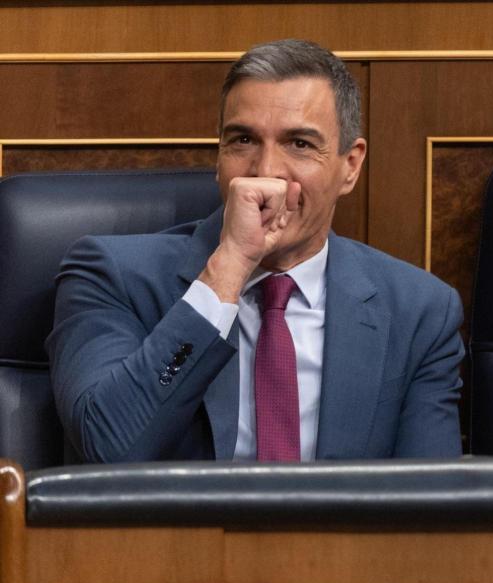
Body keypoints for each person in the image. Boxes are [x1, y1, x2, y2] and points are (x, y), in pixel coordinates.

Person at [47, 39, 465, 463]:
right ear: (219, 156)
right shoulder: (111, 276)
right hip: (177, 531)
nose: (266, 173)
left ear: (350, 166)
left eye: (300, 144)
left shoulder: (419, 312)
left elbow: (430, 506)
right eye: (243, 140)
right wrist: (228, 268)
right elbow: (109, 447)